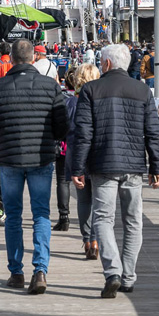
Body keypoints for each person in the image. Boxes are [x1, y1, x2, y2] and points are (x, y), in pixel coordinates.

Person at [70, 44, 159, 299]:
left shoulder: (90, 89)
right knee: (133, 221)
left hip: (103, 165)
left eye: (101, 62)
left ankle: (112, 272)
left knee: (103, 219)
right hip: (134, 166)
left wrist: (77, 167)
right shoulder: (143, 90)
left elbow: (83, 134)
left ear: (107, 64)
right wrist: (157, 166)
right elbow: (152, 133)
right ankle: (129, 277)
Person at [0, 40, 68, 294]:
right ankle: (40, 270)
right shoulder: (50, 85)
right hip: (41, 158)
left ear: (11, 59)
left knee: (14, 217)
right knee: (41, 213)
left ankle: (16, 272)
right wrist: (50, 141)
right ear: (33, 59)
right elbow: (62, 126)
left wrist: (0, 143)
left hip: (9, 159)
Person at [64, 63, 101, 260]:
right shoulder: (100, 101)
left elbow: (64, 129)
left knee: (83, 200)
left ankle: (87, 240)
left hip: (75, 152)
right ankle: (95, 240)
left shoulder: (71, 103)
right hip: (96, 154)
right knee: (98, 200)